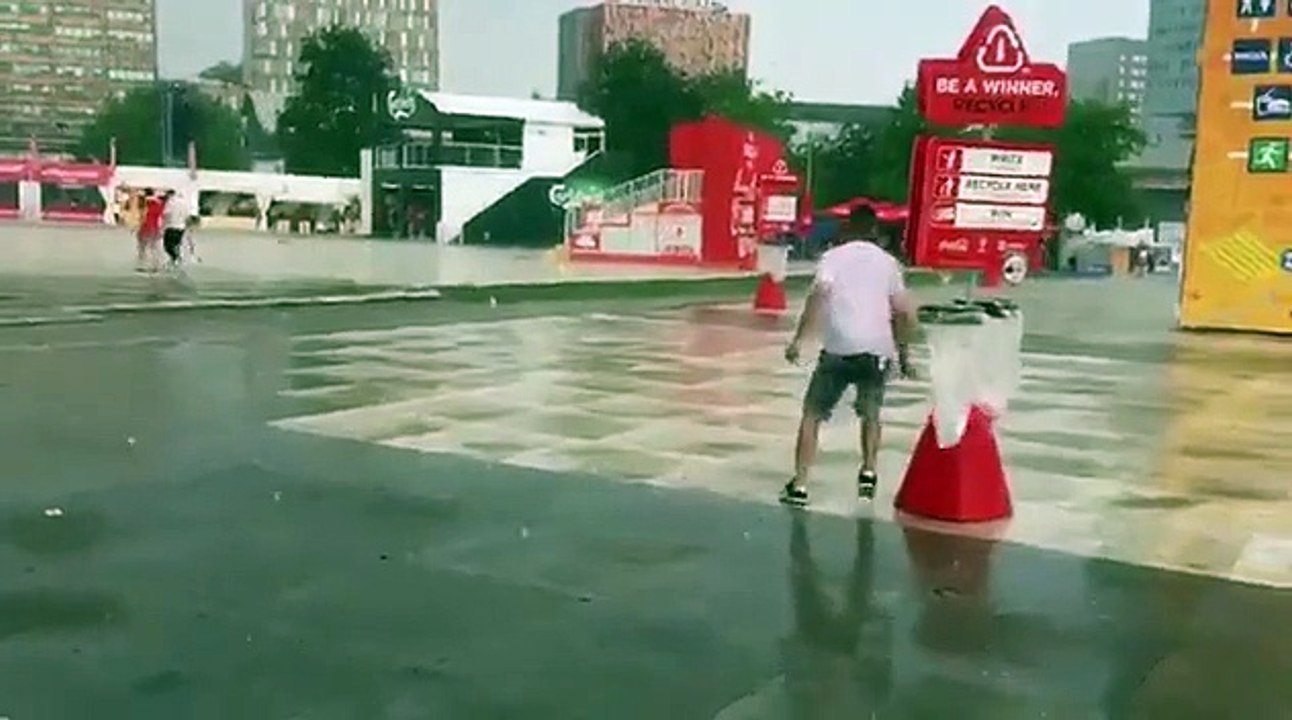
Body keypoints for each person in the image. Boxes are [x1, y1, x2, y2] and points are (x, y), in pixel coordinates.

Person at [781, 205, 918, 507]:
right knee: (871, 413)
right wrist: (905, 356)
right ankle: (869, 471)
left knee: (812, 415)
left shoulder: (833, 258)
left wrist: (799, 340)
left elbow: (818, 297)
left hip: (838, 348)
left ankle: (800, 485)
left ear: (848, 228)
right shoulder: (888, 264)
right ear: (875, 231)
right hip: (876, 350)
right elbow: (903, 313)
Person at [136, 188, 164, 272]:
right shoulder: (159, 204)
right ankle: (156, 266)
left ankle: (143, 265)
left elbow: (143, 217)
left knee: (142, 248)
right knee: (154, 248)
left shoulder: (144, 203)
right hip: (155, 228)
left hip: (145, 228)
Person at [161, 190, 190, 268]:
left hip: (171, 226)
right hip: (181, 227)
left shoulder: (170, 202)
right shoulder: (184, 203)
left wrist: (163, 224)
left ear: (170, 195)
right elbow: (187, 215)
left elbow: (166, 213)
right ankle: (176, 259)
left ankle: (175, 258)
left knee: (167, 246)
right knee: (176, 244)